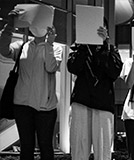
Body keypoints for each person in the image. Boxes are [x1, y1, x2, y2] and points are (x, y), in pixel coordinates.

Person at [0, 9, 62, 160]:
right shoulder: (22, 46)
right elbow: (3, 50)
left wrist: (49, 44)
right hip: (22, 105)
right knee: (26, 147)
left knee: (45, 146)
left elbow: (51, 67)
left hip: (45, 107)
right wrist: (9, 26)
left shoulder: (55, 48)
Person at [67, 19, 123, 160]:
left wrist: (104, 45)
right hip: (81, 100)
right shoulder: (79, 47)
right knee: (79, 145)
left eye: (101, 28)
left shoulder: (111, 49)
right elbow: (72, 67)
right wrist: (84, 46)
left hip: (103, 103)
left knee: (103, 149)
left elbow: (114, 72)